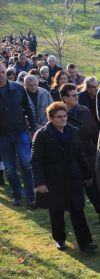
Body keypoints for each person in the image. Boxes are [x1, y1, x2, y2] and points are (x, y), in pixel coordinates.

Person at [30, 102, 98, 252]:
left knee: (78, 210)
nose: (63, 119)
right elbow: (36, 161)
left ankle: (85, 243)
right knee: (56, 211)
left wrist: (88, 174)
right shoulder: (42, 135)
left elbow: (80, 155)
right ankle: (60, 239)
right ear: (50, 118)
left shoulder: (73, 131)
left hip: (73, 177)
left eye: (65, 116)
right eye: (59, 117)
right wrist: (40, 183)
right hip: (54, 178)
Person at [61, 84, 100, 223]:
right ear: (65, 98)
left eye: (77, 94)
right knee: (76, 187)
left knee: (92, 185)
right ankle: (77, 215)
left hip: (89, 153)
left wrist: (96, 148)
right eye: (74, 95)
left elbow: (94, 130)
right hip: (72, 157)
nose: (77, 97)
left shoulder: (84, 110)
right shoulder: (62, 115)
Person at [0, 64, 37, 207]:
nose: (1, 75)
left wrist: (33, 126)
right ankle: (17, 193)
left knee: (26, 163)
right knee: (10, 167)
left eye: (3, 72)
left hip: (20, 131)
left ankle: (30, 195)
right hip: (2, 135)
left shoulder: (18, 88)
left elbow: (29, 107)